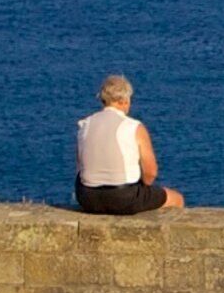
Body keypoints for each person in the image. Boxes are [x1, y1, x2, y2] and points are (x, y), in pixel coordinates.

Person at [73, 75, 184, 215]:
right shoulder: (134, 127)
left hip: (87, 198)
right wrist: (144, 188)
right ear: (125, 100)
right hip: (123, 197)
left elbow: (80, 166)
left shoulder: (85, 124)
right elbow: (151, 172)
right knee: (176, 199)